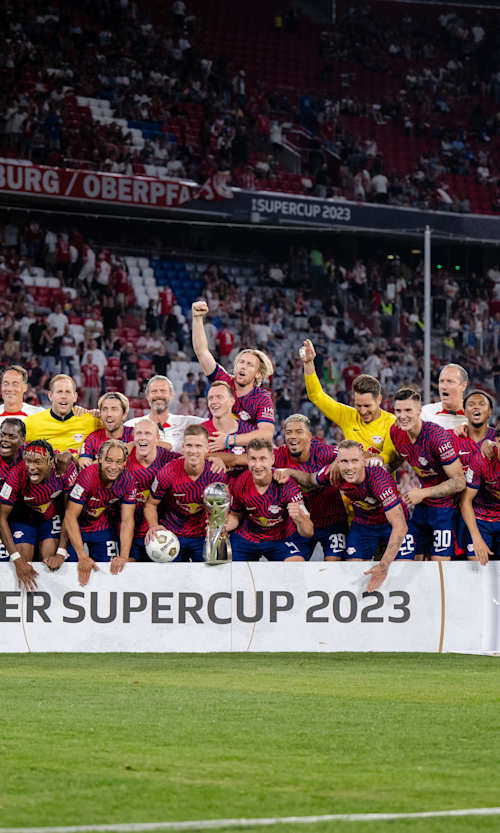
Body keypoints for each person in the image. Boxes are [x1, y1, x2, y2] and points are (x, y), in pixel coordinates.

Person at [315, 440, 409, 589]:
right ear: (337, 462)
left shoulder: (378, 478)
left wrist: (383, 566)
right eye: (344, 461)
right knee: (352, 573)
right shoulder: (333, 472)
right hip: (363, 525)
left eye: (354, 461)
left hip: (391, 524)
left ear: (363, 460)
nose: (350, 467)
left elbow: (400, 526)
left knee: (406, 569)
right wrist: (288, 473)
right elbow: (309, 480)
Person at [390, 388, 466, 560]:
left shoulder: (436, 436)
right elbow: (400, 456)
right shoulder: (395, 432)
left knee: (439, 564)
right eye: (398, 411)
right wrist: (383, 468)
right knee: (414, 559)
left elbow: (459, 481)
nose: (402, 416)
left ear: (419, 411)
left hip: (445, 507)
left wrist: (423, 493)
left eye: (408, 410)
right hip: (422, 505)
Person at [192, 300, 275, 448]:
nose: (243, 367)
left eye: (249, 365)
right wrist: (197, 319)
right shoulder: (224, 381)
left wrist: (229, 440)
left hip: (243, 454)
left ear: (258, 374)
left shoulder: (262, 398)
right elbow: (202, 352)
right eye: (241, 362)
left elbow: (266, 434)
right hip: (214, 447)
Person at [301, 339, 397, 466]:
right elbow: (316, 396)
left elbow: (391, 454)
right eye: (358, 405)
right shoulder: (347, 415)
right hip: (350, 483)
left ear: (379, 399)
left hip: (382, 483)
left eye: (367, 406)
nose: (362, 411)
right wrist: (308, 363)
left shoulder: (391, 422)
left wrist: (378, 460)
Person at [144, 425, 228, 562]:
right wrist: (154, 526)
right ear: (182, 447)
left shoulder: (217, 475)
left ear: (207, 449)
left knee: (208, 577)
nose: (193, 451)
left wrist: (217, 524)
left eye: (198, 446)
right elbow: (150, 504)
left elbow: (223, 509)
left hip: (203, 536)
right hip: (172, 535)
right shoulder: (168, 472)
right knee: (173, 581)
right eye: (189, 445)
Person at [272, 414, 348, 560]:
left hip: (333, 521)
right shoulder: (279, 455)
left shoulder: (323, 452)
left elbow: (357, 455)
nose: (293, 436)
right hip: (299, 523)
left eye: (299, 432)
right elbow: (250, 459)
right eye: (289, 432)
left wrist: (339, 460)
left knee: (333, 567)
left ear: (309, 436)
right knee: (293, 567)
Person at [226, 438, 313, 562]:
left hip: (280, 539)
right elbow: (236, 515)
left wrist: (300, 518)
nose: (257, 465)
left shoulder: (287, 485)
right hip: (248, 537)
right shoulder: (240, 482)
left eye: (263, 459)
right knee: (228, 569)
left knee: (296, 564)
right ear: (247, 460)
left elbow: (309, 532)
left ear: (272, 459)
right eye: (253, 459)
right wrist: (221, 525)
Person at [64, 439, 137, 586]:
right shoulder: (87, 477)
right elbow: (70, 516)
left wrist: (123, 556)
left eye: (119, 462)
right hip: (77, 526)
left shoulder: (128, 481)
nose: (113, 467)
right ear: (100, 459)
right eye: (109, 461)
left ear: (125, 463)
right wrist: (82, 556)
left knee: (111, 571)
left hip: (101, 525)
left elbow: (127, 520)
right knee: (70, 570)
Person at [0, 439, 77, 575]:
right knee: (22, 562)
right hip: (23, 517)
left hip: (51, 517)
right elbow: (1, 518)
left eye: (37, 462)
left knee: (50, 563)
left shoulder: (65, 468)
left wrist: (61, 553)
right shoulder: (16, 474)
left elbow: (69, 513)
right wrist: (16, 559)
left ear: (51, 463)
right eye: (28, 461)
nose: (31, 467)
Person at [126, 419, 180, 561]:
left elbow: (196, 459)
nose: (142, 437)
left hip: (160, 532)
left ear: (157, 439)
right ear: (133, 438)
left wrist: (213, 459)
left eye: (148, 433)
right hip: (128, 529)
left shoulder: (170, 459)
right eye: (139, 433)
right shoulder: (122, 459)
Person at [124, 375, 204, 453]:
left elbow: (214, 424)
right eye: (154, 391)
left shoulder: (188, 422)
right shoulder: (130, 425)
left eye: (163, 391)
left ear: (171, 395)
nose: (158, 395)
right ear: (147, 396)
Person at [24, 374, 101, 455]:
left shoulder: (90, 420)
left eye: (68, 392)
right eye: (59, 392)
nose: (63, 396)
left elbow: (113, 427)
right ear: (50, 396)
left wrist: (101, 414)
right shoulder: (31, 423)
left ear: (75, 397)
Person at [460, 442, 500, 564]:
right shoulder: (481, 458)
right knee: (477, 563)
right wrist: (476, 537)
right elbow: (465, 501)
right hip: (481, 518)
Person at [201, 381, 253, 466]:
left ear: (232, 401)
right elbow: (195, 458)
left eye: (219, 397)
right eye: (210, 398)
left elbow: (261, 459)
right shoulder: (201, 431)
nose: (213, 402)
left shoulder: (249, 430)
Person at [79, 392, 134, 468]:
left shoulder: (135, 434)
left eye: (114, 409)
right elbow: (84, 470)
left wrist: (97, 462)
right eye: (105, 409)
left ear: (124, 414)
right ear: (100, 413)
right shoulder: (92, 438)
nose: (109, 414)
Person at [421, 364, 468, 430]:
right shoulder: (426, 413)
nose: (444, 386)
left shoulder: (473, 417)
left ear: (463, 386)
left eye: (450, 381)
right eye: (441, 381)